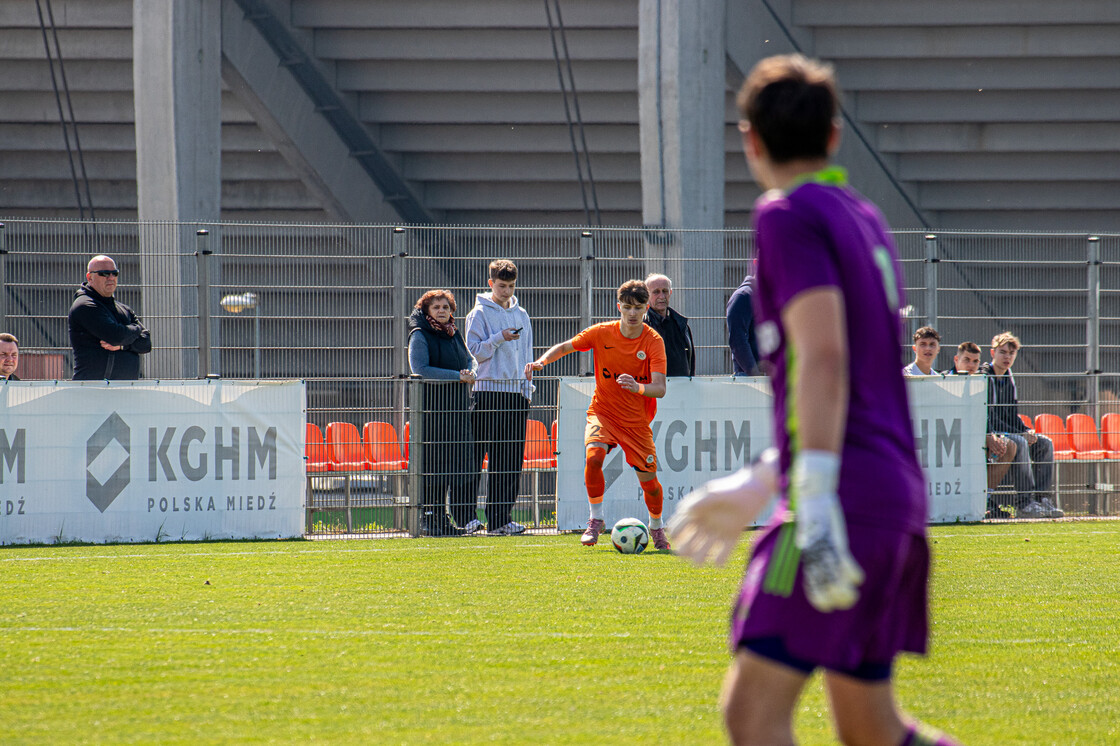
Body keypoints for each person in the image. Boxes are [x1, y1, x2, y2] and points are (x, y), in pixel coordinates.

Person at [669, 54, 961, 745]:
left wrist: (815, 495)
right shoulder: (864, 217)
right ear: (834, 137)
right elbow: (851, 367)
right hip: (890, 493)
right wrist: (769, 477)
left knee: (754, 714)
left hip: (843, 496)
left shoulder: (785, 215)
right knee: (873, 729)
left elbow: (823, 355)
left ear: (750, 140)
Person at [525, 279, 671, 550]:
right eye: (627, 307)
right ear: (619, 307)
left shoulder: (653, 341)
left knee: (650, 484)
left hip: (636, 423)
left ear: (646, 308)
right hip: (602, 412)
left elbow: (660, 388)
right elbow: (567, 346)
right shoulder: (602, 333)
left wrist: (637, 387)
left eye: (638, 308)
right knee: (594, 457)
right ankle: (596, 519)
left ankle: (657, 526)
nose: (632, 313)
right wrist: (541, 361)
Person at [465, 259, 534, 536]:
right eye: (501, 286)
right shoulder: (478, 313)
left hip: (516, 394)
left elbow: (528, 355)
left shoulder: (522, 314)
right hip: (486, 390)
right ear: (491, 283)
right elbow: (474, 352)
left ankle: (499, 519)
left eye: (511, 286)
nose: (506, 291)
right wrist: (499, 338)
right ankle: (466, 516)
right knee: (473, 457)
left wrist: (527, 390)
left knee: (509, 460)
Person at [408, 289, 479, 537]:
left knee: (451, 466)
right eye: (436, 307)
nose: (441, 311)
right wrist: (457, 377)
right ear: (426, 310)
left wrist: (470, 371)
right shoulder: (420, 335)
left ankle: (444, 520)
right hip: (433, 413)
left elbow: (469, 359)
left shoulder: (454, 333)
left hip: (457, 412)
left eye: (446, 307)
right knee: (434, 467)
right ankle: (428, 519)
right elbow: (420, 369)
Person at [981, 332, 1063, 519]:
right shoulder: (985, 376)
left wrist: (1026, 430)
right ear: (992, 352)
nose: (1007, 357)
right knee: (1020, 441)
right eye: (1002, 352)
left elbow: (1012, 414)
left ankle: (1042, 500)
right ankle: (1024, 503)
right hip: (991, 432)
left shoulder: (1009, 377)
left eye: (1011, 353)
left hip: (1008, 430)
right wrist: (1020, 433)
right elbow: (990, 417)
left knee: (1045, 443)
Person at [948, 341, 1018, 501]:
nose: (971, 365)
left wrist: (990, 435)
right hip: (953, 440)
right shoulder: (945, 380)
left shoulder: (981, 382)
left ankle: (982, 500)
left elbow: (986, 414)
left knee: (1009, 446)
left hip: (976, 437)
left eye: (975, 361)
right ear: (956, 360)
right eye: (966, 360)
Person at [68, 255, 151, 380]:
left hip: (126, 391)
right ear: (90, 277)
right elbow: (116, 336)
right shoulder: (85, 305)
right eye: (104, 273)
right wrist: (136, 329)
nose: (111, 278)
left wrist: (124, 346)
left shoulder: (124, 309)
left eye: (114, 273)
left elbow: (146, 344)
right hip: (92, 390)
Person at [642, 273, 695, 377]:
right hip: (651, 389)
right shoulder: (642, 326)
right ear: (646, 295)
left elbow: (690, 362)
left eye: (665, 291)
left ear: (670, 293)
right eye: (656, 292)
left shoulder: (681, 325)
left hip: (681, 388)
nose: (661, 296)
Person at [727, 272, 762, 376]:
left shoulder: (767, 297)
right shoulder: (744, 296)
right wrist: (754, 375)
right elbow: (738, 341)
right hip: (749, 377)